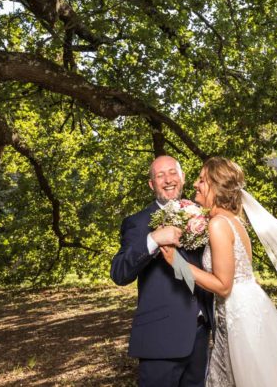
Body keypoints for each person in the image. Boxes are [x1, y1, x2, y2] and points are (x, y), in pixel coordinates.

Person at [159, 157, 277, 387]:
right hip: (245, 308)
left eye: (202, 180)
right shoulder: (233, 220)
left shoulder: (218, 225)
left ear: (216, 187)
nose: (195, 184)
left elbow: (224, 286)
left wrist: (178, 264)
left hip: (239, 316)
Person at [111, 155, 213, 387]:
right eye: (160, 175)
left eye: (172, 172)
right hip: (160, 339)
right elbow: (119, 273)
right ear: (151, 184)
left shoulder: (202, 213)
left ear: (183, 178)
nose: (168, 180)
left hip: (200, 335)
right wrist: (154, 239)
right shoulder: (137, 222)